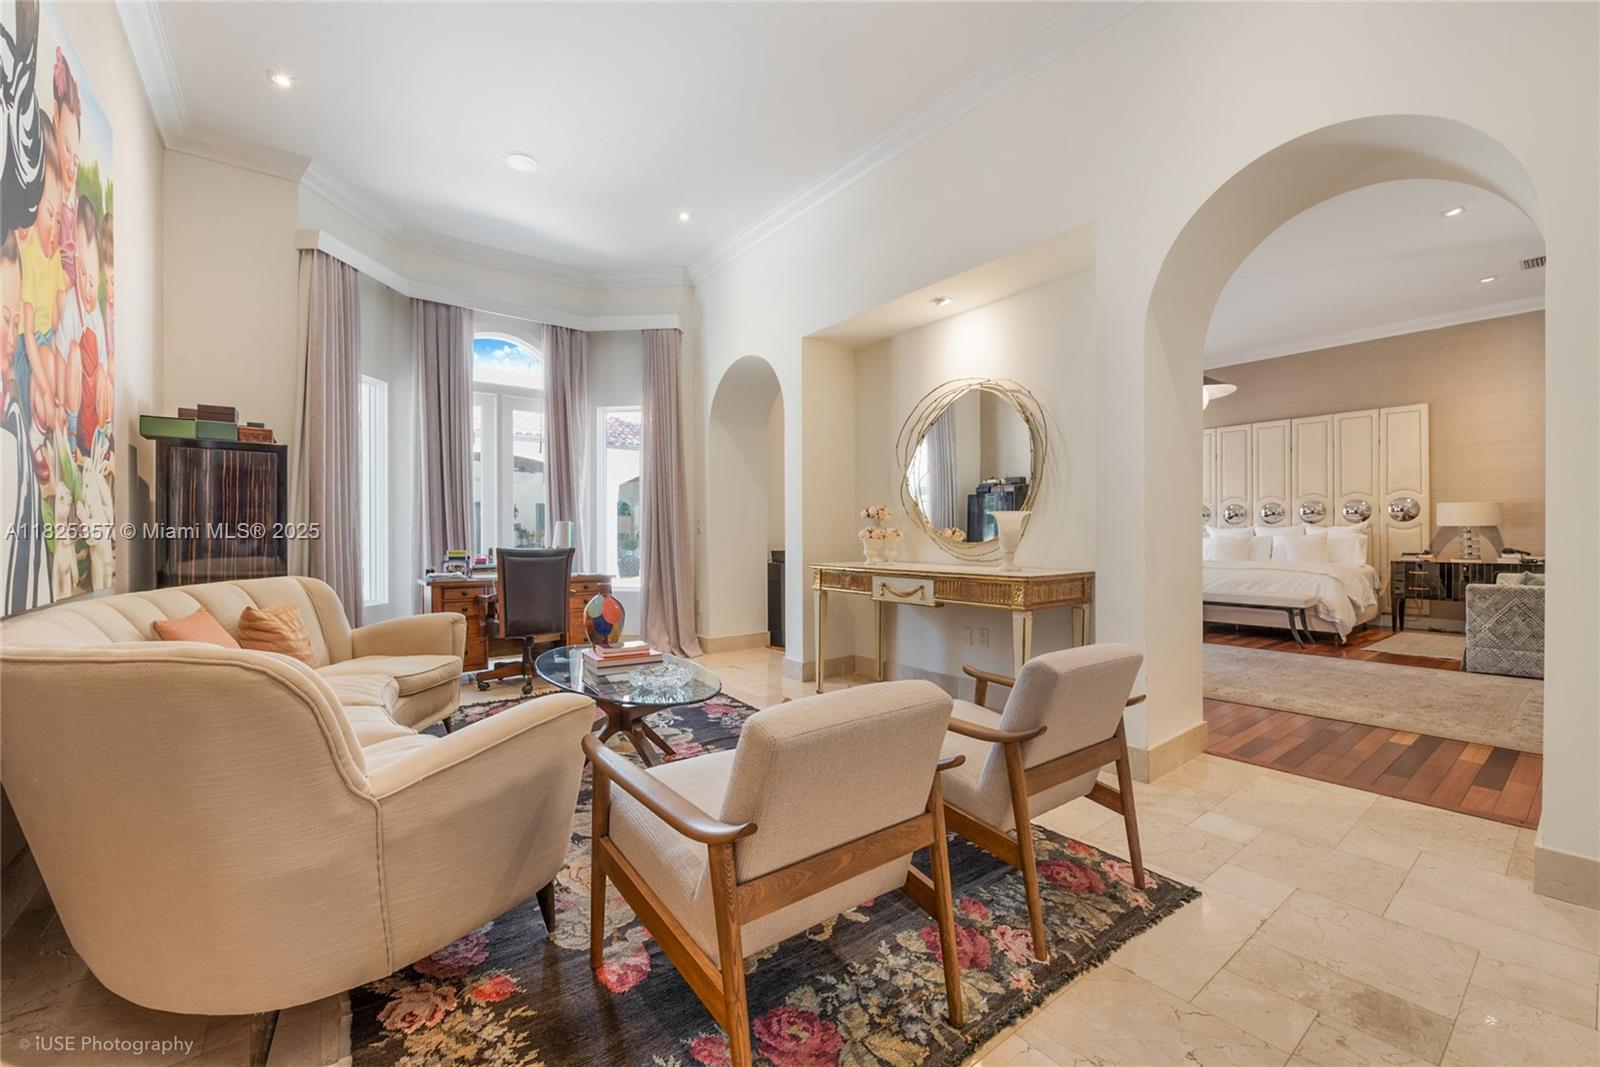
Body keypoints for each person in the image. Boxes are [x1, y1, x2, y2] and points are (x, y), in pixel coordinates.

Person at [15, 111, 64, 436]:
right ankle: (36, 435)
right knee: (46, 359)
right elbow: (31, 338)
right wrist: (48, 389)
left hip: (46, 340)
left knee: (57, 359)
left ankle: (53, 428)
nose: (56, 227)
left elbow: (57, 316)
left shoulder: (55, 256)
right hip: (26, 344)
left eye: (61, 217)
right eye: (50, 214)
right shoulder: (29, 255)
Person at [59, 195, 104, 457]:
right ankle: (74, 437)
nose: (88, 287)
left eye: (93, 280)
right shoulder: (69, 305)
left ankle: (99, 434)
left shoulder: (95, 311)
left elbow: (101, 369)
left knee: (104, 374)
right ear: (76, 267)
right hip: (74, 401)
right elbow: (65, 358)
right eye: (83, 275)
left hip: (91, 405)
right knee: (77, 350)